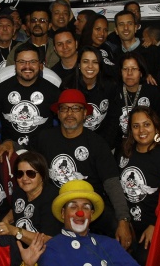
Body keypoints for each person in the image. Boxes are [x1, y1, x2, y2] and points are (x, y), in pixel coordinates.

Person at [33, 89, 134, 248]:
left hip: (90, 208)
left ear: (85, 113)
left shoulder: (97, 144)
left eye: (75, 108)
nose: (69, 113)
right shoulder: (45, 138)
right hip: (55, 207)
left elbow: (112, 183)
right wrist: (11, 144)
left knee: (119, 230)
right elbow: (29, 165)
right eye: (64, 108)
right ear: (58, 113)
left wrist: (123, 219)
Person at [117, 106, 160, 265]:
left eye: (146, 124)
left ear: (156, 127)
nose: (141, 130)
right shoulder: (123, 154)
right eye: (136, 126)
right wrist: (122, 221)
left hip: (156, 226)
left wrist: (156, 225)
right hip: (126, 223)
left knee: (143, 259)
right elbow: (116, 190)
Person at [23, 179, 138, 266]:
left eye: (86, 207)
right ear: (63, 213)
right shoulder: (51, 249)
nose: (80, 213)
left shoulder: (109, 244)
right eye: (73, 207)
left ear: (91, 214)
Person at [0, 44, 58, 151]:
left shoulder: (52, 91)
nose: (27, 66)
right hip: (10, 151)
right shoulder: (2, 89)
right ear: (15, 64)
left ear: (40, 64)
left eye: (33, 62)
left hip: (42, 152)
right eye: (22, 62)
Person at [0, 151, 62, 243]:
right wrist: (5, 221)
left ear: (42, 175)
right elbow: (14, 210)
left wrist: (14, 231)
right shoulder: (18, 192)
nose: (24, 178)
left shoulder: (52, 198)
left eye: (31, 173)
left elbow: (48, 241)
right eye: (20, 174)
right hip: (19, 247)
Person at [106, 52, 160, 148]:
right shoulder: (114, 91)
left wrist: (155, 143)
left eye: (134, 69)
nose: (129, 73)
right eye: (125, 69)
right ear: (120, 72)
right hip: (120, 145)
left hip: (148, 143)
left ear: (141, 72)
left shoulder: (151, 92)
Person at [62, 46, 119, 140]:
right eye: (85, 61)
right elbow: (63, 118)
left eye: (95, 62)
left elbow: (113, 119)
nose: (90, 66)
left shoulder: (110, 86)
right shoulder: (67, 86)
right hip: (73, 139)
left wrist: (105, 144)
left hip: (102, 141)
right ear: (79, 64)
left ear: (100, 65)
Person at [113, 9, 160, 79]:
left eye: (130, 23)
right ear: (116, 30)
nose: (126, 28)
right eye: (121, 24)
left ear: (135, 28)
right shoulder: (115, 55)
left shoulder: (153, 51)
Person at [78, 14, 117, 78]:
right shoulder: (84, 52)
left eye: (105, 30)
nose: (102, 33)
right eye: (98, 29)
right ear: (90, 29)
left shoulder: (108, 47)